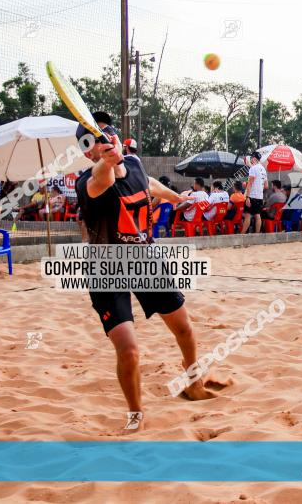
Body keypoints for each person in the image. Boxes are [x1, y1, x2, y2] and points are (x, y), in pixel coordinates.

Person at [74, 118, 216, 431]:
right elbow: (103, 179)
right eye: (96, 138)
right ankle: (135, 414)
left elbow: (149, 183)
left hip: (145, 261)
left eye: (107, 131)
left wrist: (177, 198)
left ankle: (193, 382)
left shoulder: (135, 163)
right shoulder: (89, 182)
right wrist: (107, 162)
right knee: (129, 351)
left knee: (184, 329)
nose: (106, 137)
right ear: (88, 153)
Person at [242, 151, 267, 234]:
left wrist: (248, 197)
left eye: (251, 158)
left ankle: (241, 235)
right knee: (257, 215)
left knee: (248, 215)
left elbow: (249, 184)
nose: (251, 160)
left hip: (252, 195)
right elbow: (266, 186)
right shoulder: (263, 169)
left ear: (254, 158)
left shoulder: (253, 168)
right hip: (260, 196)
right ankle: (257, 234)